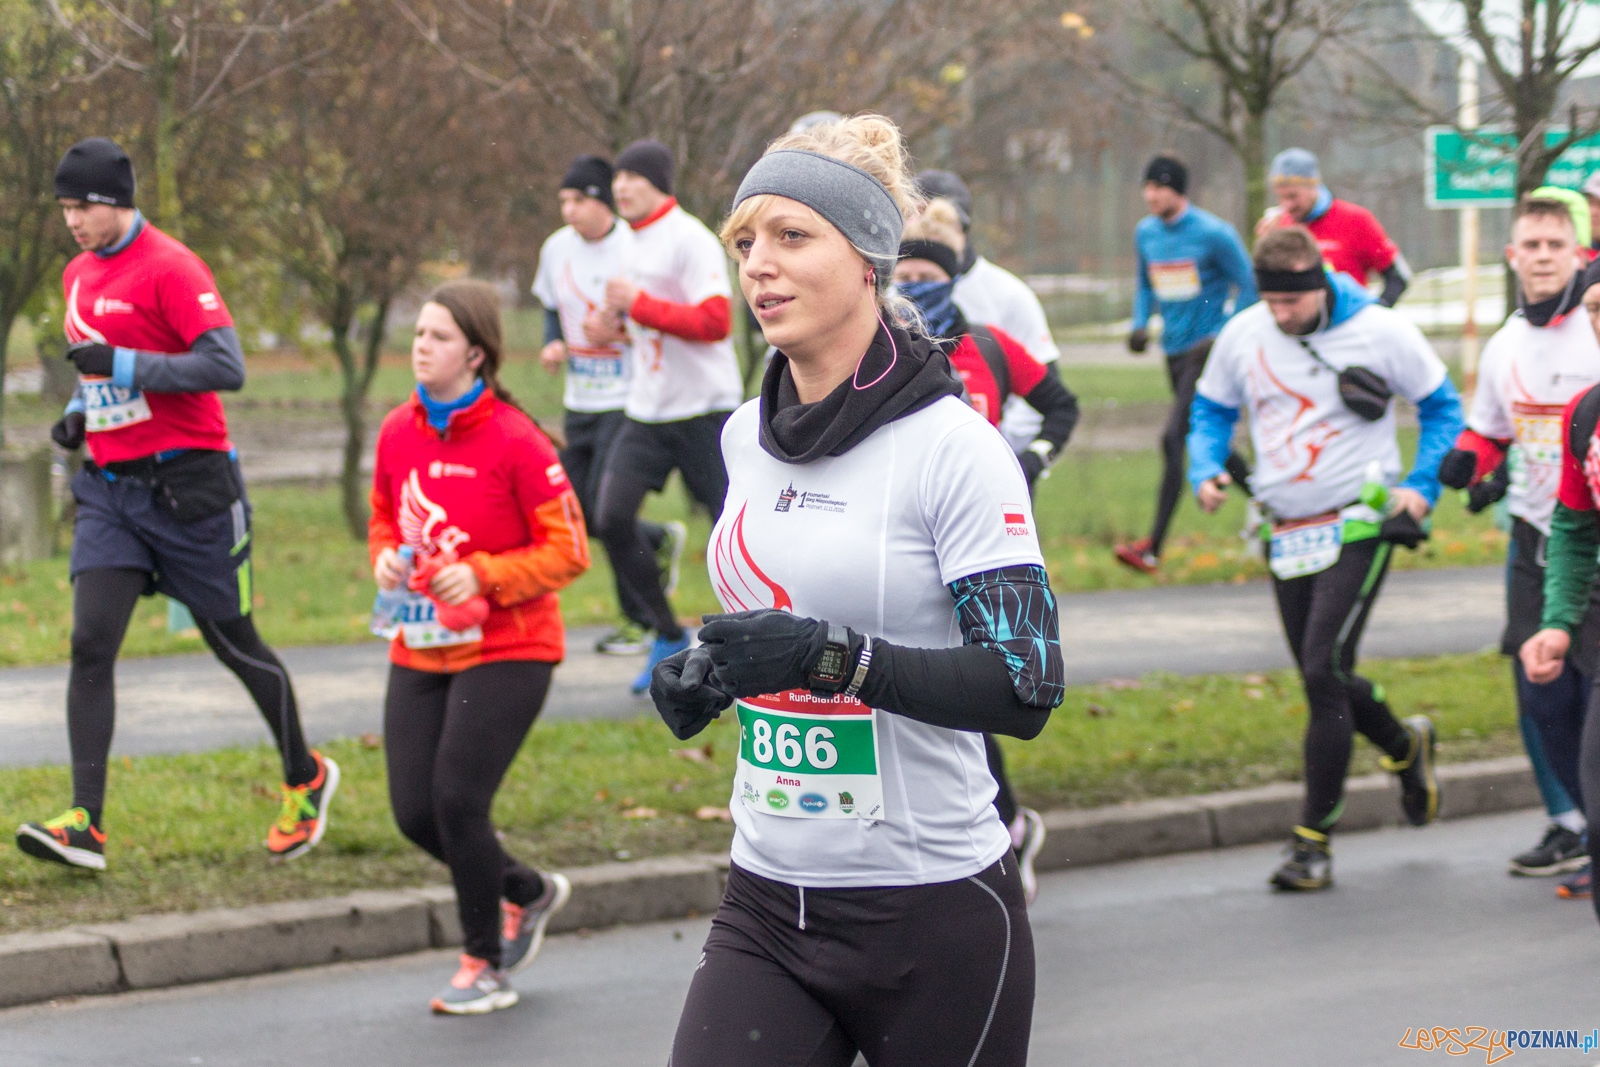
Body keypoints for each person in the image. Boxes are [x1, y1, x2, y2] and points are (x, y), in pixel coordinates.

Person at [651, 113, 1062, 1066]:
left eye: (793, 237)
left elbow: (1025, 683)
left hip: (930, 914)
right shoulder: (742, 438)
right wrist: (714, 672)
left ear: (870, 258)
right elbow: (783, 609)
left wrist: (829, 658)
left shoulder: (954, 449)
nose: (759, 265)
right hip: (767, 898)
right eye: (746, 241)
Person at [15, 138, 336, 871]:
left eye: (82, 207)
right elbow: (93, 360)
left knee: (235, 644)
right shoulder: (76, 274)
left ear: (118, 200)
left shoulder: (172, 266)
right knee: (90, 641)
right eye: (64, 207)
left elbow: (226, 366)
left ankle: (304, 775)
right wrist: (79, 410)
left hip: (192, 489)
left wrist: (123, 367)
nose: (72, 221)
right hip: (111, 490)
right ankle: (85, 824)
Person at [1189, 225, 1464, 891]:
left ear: (1320, 285)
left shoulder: (1380, 329)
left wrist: (1421, 488)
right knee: (1326, 674)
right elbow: (1210, 409)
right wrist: (1205, 466)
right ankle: (1404, 746)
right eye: (1272, 304)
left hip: (1361, 519)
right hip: (1286, 528)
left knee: (1322, 668)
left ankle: (1312, 840)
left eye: (1293, 304)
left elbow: (1443, 408)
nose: (1281, 316)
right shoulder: (1245, 331)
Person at [369, 280, 588, 1013]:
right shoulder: (399, 428)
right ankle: (525, 890)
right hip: (421, 640)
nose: (420, 347)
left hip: (512, 645)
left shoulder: (518, 440)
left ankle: (484, 963)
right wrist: (385, 559)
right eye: (418, 334)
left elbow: (570, 550)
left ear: (475, 351)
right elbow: (382, 515)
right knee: (413, 811)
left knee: (458, 798)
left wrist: (484, 575)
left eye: (435, 336)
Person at [894, 196, 1079, 902]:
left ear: (951, 281)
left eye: (926, 276)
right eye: (901, 275)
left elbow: (1063, 405)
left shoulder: (992, 347)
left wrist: (1032, 460)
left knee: (984, 683)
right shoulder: (886, 356)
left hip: (985, 544)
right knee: (936, 686)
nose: (913, 288)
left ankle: (998, 827)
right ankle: (993, 824)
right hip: (914, 538)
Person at [1440, 196, 1600, 895]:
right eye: (1528, 243)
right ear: (1511, 256)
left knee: (1587, 689)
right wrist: (1469, 463)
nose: (1540, 255)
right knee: (1538, 692)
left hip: (1584, 539)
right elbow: (1492, 430)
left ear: (1577, 254)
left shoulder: (1592, 326)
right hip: (1539, 532)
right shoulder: (1505, 342)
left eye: (1553, 244)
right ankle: (1576, 821)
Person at [591, 138, 744, 694]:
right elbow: (644, 324)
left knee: (737, 532)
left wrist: (638, 307)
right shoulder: (624, 244)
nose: (622, 187)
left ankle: (761, 644)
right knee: (609, 518)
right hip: (647, 409)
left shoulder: (691, 239)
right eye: (617, 179)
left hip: (704, 408)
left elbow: (714, 321)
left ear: (659, 183)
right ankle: (666, 631)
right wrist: (612, 330)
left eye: (634, 177)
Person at [533, 154, 685, 657]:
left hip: (629, 399)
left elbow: (655, 317)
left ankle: (641, 620)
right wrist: (555, 342)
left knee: (607, 510)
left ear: (601, 202)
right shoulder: (556, 249)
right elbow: (553, 308)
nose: (569, 211)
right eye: (563, 202)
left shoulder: (632, 246)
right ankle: (657, 540)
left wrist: (618, 331)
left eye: (578, 200)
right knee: (574, 507)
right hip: (582, 401)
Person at [1115, 154, 1257, 576]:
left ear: (1178, 190)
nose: (1150, 195)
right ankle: (1274, 504)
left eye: (1159, 187)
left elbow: (1250, 286)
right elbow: (1146, 284)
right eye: (1147, 187)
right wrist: (1141, 325)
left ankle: (1153, 546)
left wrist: (1224, 334)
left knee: (1172, 438)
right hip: (1175, 352)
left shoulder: (1215, 234)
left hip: (1207, 352)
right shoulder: (1147, 233)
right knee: (1205, 438)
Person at [915, 168, 1066, 454]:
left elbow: (1046, 390)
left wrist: (1009, 451)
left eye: (939, 220)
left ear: (964, 227)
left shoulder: (1008, 294)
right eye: (915, 217)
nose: (928, 230)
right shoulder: (887, 293)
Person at [1259, 148, 1411, 306]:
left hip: (1346, 322)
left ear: (1314, 186)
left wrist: (1376, 311)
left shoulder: (1355, 219)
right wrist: (1266, 248)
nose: (1286, 205)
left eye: (1293, 196)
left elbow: (1399, 277)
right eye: (1280, 197)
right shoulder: (1280, 226)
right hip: (1298, 326)